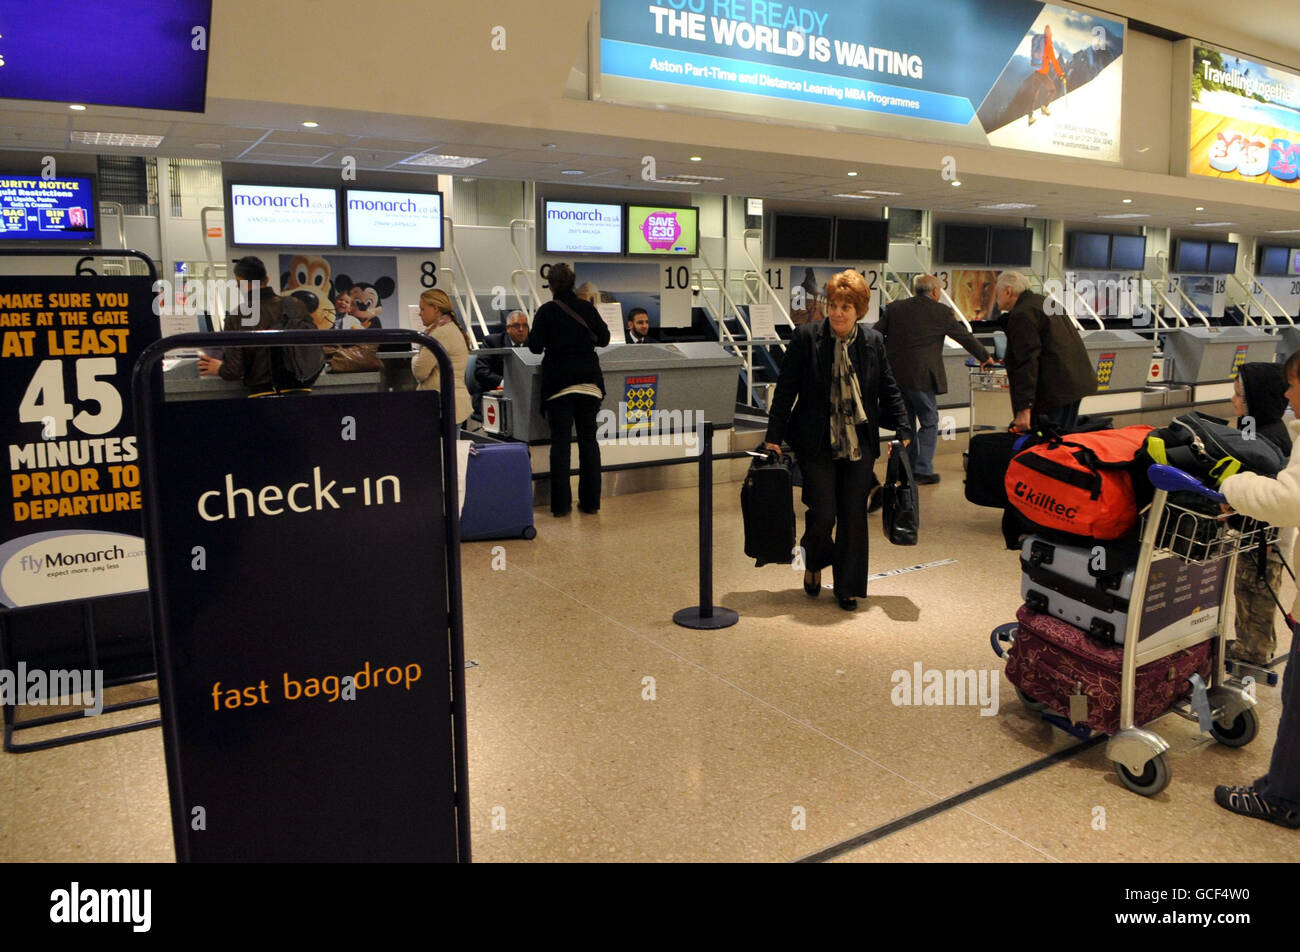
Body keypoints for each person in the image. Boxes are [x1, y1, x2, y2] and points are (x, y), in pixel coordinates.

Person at [764, 270, 913, 611]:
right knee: (824, 512)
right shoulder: (807, 338)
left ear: (859, 310)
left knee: (853, 516)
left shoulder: (873, 342)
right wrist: (774, 436)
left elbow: (888, 387)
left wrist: (904, 429)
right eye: (833, 305)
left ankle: (847, 587)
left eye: (846, 306)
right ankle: (814, 562)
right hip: (816, 441)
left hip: (859, 442)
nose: (838, 312)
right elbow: (786, 390)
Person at [1214, 348, 1300, 829]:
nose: (1289, 393)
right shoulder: (1280, 433)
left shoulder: (1273, 439)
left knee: (1299, 695)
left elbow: (1287, 498)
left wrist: (1233, 487)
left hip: (1265, 538)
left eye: (1295, 384)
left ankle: (1281, 795)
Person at [877, 274, 993, 484]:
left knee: (906, 423)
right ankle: (923, 469)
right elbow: (963, 336)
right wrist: (985, 357)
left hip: (895, 377)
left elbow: (876, 334)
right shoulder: (940, 311)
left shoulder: (895, 308)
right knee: (930, 421)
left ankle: (907, 469)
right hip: (922, 378)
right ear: (934, 292)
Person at [529, 263, 611, 516]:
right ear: (573, 284)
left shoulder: (546, 311)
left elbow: (533, 347)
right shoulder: (587, 308)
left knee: (561, 445)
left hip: (559, 386)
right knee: (589, 443)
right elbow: (605, 338)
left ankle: (561, 506)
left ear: (550, 285)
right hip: (589, 384)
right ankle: (590, 503)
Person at [1228, 362, 1293, 666]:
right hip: (1259, 535)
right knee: (1249, 590)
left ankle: (1253, 651)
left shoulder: (1268, 438)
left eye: (1239, 396)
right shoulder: (1259, 427)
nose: (1233, 401)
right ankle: (1253, 643)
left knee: (1256, 591)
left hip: (1265, 539)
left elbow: (1270, 495)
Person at [995, 270, 1096, 434]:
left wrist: (1024, 409)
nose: (996, 297)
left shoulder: (1022, 314)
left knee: (1048, 447)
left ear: (1007, 291)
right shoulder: (1048, 303)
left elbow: (1027, 361)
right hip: (1073, 385)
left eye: (997, 292)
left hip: (1053, 393)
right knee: (1064, 440)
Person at [197, 256, 314, 396]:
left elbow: (234, 370)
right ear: (267, 279)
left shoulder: (238, 316)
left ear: (240, 281)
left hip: (264, 393)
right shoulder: (296, 305)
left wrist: (220, 369)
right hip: (301, 390)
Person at [411, 288, 472, 426]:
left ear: (435, 308)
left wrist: (415, 358)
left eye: (422, 309)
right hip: (451, 402)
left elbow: (419, 372)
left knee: (442, 447)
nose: (420, 314)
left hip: (441, 404)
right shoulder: (450, 328)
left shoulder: (439, 333)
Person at [472, 310, 530, 412]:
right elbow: (481, 371)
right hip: (493, 396)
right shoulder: (493, 342)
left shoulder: (533, 344)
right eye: (516, 326)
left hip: (523, 396)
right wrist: (506, 383)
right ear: (508, 328)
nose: (521, 329)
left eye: (525, 326)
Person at [1024, 23, 1065, 126]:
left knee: (1034, 95)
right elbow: (1055, 62)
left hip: (1036, 72)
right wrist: (1061, 75)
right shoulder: (1048, 46)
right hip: (1043, 74)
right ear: (1050, 34)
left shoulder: (1040, 42)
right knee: (1053, 90)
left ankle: (1030, 117)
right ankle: (1044, 107)